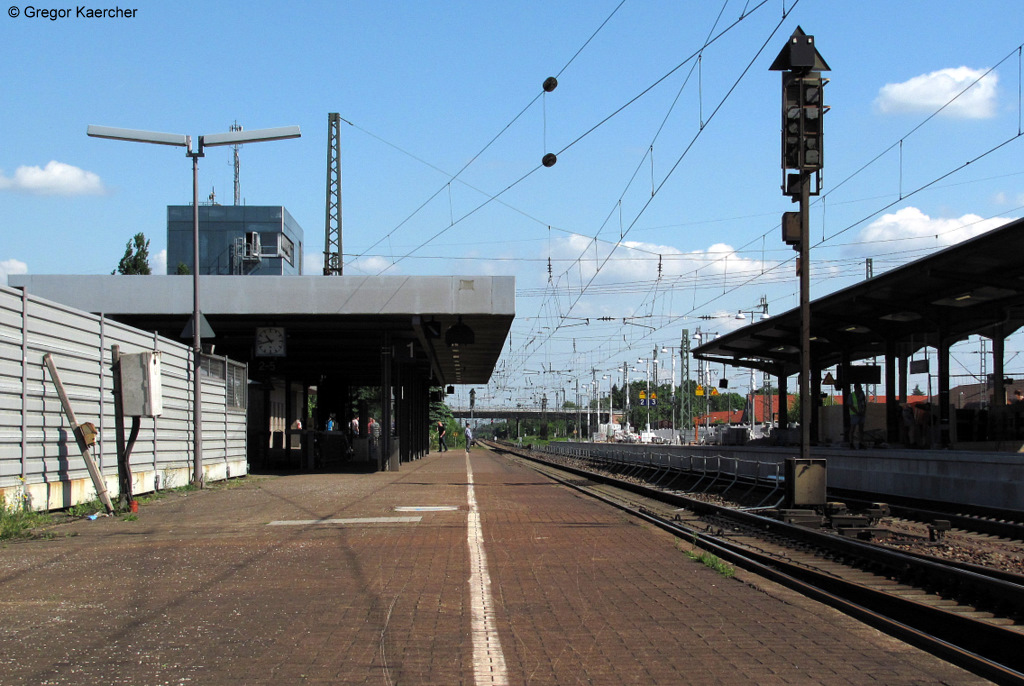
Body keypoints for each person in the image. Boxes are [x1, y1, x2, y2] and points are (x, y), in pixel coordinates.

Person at [849, 383, 867, 448]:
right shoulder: (851, 395)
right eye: (859, 388)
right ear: (856, 388)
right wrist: (856, 412)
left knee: (861, 429)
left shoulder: (862, 395)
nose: (860, 389)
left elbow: (864, 404)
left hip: (861, 414)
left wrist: (864, 411)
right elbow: (850, 405)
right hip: (854, 415)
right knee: (852, 429)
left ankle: (861, 443)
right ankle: (851, 443)